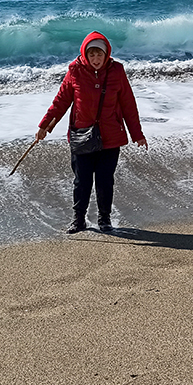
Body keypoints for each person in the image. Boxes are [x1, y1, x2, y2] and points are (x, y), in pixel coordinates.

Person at [36, 31, 148, 234]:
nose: (96, 59)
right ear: (85, 55)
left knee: (105, 180)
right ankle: (79, 220)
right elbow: (61, 101)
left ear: (107, 55)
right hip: (81, 135)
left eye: (100, 55)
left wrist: (137, 134)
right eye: (92, 54)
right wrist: (44, 126)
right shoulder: (75, 71)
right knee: (82, 181)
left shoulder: (117, 71)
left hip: (111, 136)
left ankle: (105, 219)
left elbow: (128, 104)